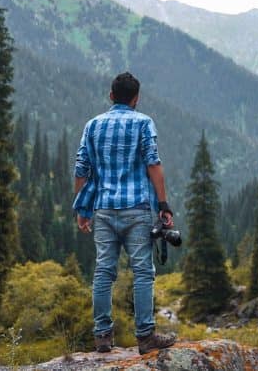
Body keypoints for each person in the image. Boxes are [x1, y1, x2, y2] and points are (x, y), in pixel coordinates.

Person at [73, 72, 177, 354]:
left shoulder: (92, 125)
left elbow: (81, 169)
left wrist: (82, 210)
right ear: (136, 99)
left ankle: (102, 337)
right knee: (143, 271)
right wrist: (163, 205)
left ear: (110, 96)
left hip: (104, 210)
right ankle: (145, 337)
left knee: (104, 271)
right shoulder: (143, 122)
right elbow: (153, 164)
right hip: (137, 210)